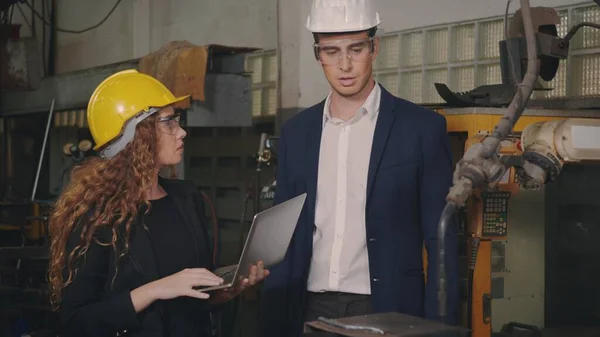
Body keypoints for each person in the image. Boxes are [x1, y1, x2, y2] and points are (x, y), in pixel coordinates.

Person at [258, 0, 459, 336]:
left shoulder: (421, 129)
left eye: (356, 48)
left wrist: (441, 326)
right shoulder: (297, 133)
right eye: (332, 51)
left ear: (374, 47)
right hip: (308, 306)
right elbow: (284, 239)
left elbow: (441, 239)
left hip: (388, 306)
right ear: (317, 55)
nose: (345, 64)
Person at [47, 69, 269, 337]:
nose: (182, 132)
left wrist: (226, 290)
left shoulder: (187, 198)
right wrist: (154, 290)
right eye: (169, 122)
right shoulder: (96, 216)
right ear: (136, 136)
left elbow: (196, 296)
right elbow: (76, 321)